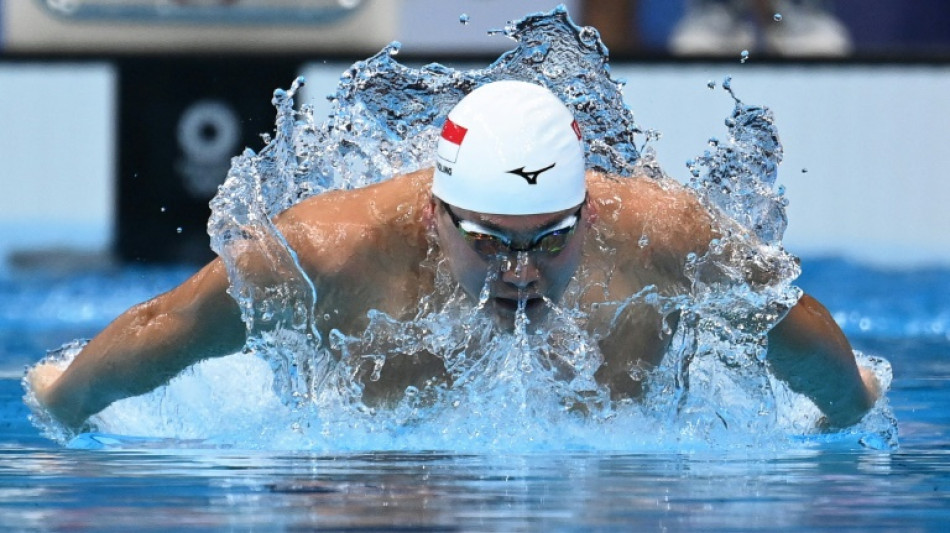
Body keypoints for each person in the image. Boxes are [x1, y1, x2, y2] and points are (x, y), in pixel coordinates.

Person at [27, 80, 880, 433]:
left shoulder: (665, 238)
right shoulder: (327, 254)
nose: (520, 270)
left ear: (586, 213)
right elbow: (164, 323)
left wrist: (844, 417)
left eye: (550, 239)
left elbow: (795, 327)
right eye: (489, 240)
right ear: (434, 212)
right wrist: (60, 403)